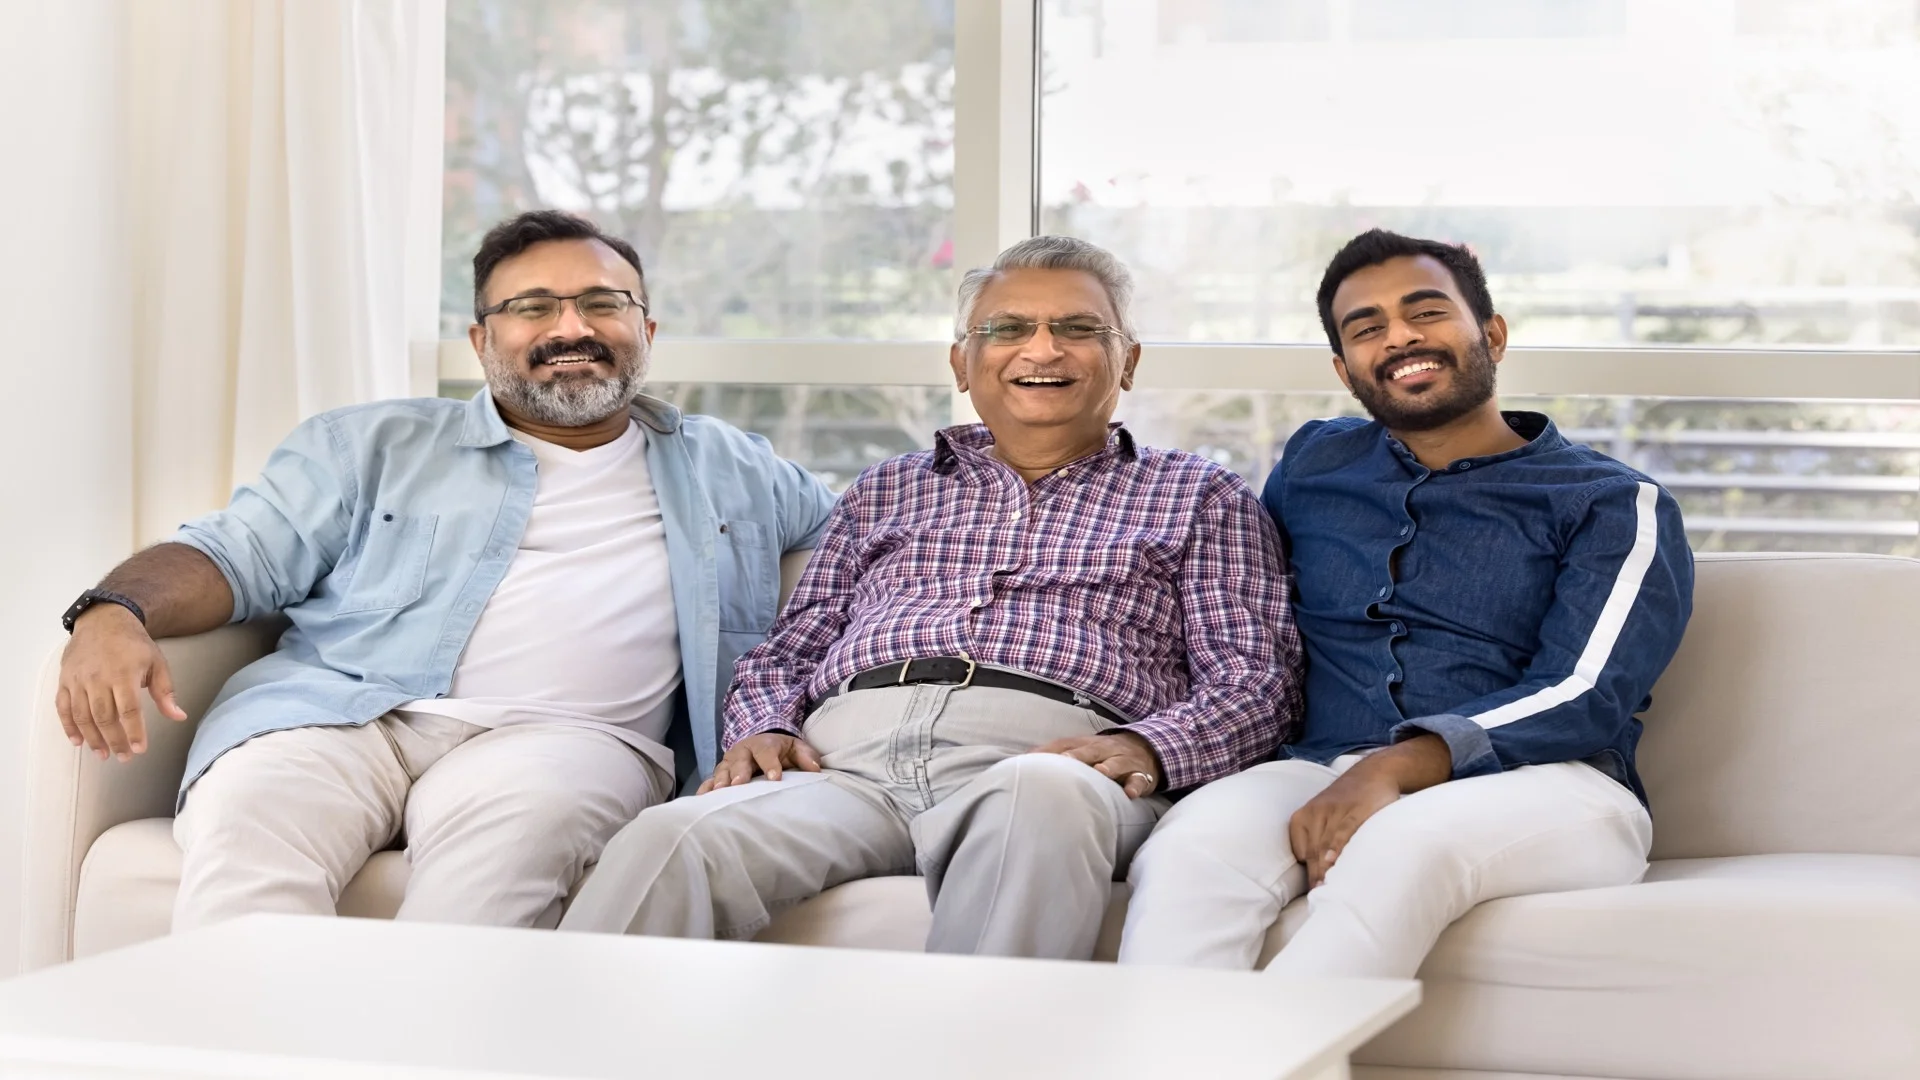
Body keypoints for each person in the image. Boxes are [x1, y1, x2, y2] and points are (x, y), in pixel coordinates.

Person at [53, 210, 835, 931]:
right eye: (532, 307)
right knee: (251, 823)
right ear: (481, 340)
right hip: (341, 716)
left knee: (493, 877)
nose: (571, 327)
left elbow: (880, 541)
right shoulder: (372, 445)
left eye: (602, 303)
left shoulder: (733, 465)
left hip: (565, 742)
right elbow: (233, 555)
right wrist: (114, 610)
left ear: (646, 327)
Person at [558, 235, 1302, 958]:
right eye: (1007, 329)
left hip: (1048, 756)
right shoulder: (889, 487)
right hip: (846, 765)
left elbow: (1257, 680)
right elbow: (792, 647)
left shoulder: (1200, 494)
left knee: (1040, 796)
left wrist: (1146, 746)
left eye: (1077, 329)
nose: (1041, 349)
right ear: (962, 362)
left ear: (1127, 362)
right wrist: (764, 727)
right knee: (671, 839)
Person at [1118, 228, 1694, 976]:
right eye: (1367, 328)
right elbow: (1242, 615)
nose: (1399, 338)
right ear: (1343, 367)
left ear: (1491, 333)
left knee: (1400, 847)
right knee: (1191, 852)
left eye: (1426, 312)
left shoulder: (1613, 502)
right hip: (1318, 764)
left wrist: (1399, 766)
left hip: (1552, 785)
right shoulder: (1315, 460)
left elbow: (1587, 691)